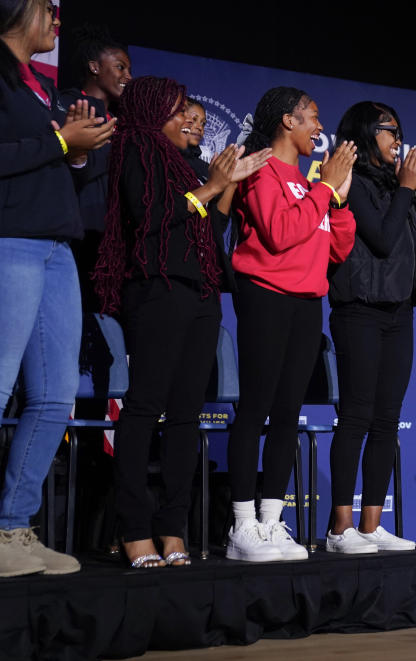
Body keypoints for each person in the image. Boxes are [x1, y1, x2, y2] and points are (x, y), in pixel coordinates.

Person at [93, 76, 270, 568]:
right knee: (145, 407)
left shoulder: (189, 166)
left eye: (190, 111)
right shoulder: (135, 148)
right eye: (177, 111)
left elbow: (208, 229)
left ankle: (173, 527)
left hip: (200, 294)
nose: (189, 118)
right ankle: (133, 530)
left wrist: (226, 185)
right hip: (155, 288)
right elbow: (149, 218)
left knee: (188, 416)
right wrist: (212, 186)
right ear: (152, 114)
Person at [0, 0, 115, 576]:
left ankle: (12, 531)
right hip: (9, 241)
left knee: (53, 397)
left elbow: (55, 158)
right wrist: (61, 144)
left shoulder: (41, 88)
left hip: (57, 250)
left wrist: (78, 151)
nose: (56, 17)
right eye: (47, 6)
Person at [225, 87, 356, 562]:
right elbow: (279, 235)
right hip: (266, 297)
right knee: (256, 407)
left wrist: (336, 200)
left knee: (287, 416)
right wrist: (324, 189)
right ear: (287, 121)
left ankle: (271, 521)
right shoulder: (261, 170)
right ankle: (241, 526)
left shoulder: (309, 184)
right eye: (313, 118)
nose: (320, 129)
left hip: (306, 304)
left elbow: (337, 250)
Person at [325, 101, 416, 553]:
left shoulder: (398, 185)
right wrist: (407, 189)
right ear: (367, 134)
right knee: (356, 417)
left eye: (399, 130)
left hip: (399, 312)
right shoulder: (354, 184)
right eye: (389, 130)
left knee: (387, 419)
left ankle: (371, 526)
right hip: (359, 310)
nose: (398, 139)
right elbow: (383, 240)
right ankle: (339, 529)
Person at [59, 24, 131, 309]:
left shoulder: (120, 122)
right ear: (94, 67)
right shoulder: (68, 105)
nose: (128, 76)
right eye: (120, 67)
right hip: (75, 236)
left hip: (110, 242)